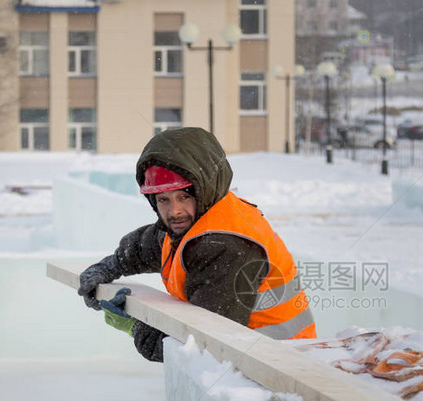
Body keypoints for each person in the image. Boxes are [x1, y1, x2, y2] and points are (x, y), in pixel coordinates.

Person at [77, 126, 317, 362]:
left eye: (184, 196)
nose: (174, 211)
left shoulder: (226, 247)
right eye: (163, 200)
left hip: (278, 368)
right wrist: (109, 267)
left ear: (205, 190)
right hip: (249, 361)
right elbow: (148, 245)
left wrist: (136, 328)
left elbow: (202, 343)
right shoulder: (197, 219)